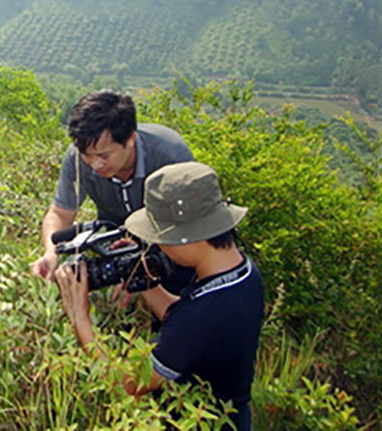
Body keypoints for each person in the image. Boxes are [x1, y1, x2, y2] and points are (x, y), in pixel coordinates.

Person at [55, 162, 264, 431]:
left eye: (161, 238)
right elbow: (193, 329)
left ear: (187, 237)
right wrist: (146, 282)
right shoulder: (242, 272)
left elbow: (129, 384)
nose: (157, 246)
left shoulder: (199, 318)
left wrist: (80, 318)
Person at [32, 90, 194, 292]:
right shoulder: (77, 156)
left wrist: (142, 271)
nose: (94, 164)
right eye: (86, 155)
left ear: (131, 139)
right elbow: (60, 213)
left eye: (104, 155)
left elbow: (190, 229)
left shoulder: (169, 155)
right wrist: (51, 252)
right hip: (115, 242)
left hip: (172, 242)